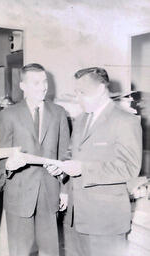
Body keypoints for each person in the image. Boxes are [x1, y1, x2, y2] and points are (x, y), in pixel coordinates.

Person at [45, 67, 142, 256]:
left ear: (100, 89)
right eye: (76, 93)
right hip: (75, 219)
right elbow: (71, 153)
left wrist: (83, 169)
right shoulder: (81, 120)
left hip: (105, 222)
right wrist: (61, 167)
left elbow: (129, 168)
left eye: (82, 93)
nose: (78, 98)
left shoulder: (125, 121)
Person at [0, 63, 70, 256]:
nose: (43, 87)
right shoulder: (8, 115)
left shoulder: (59, 113)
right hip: (18, 194)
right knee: (20, 251)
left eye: (45, 81)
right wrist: (7, 165)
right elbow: (1, 157)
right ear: (22, 86)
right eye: (36, 82)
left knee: (50, 250)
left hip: (49, 192)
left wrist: (64, 189)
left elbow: (65, 154)